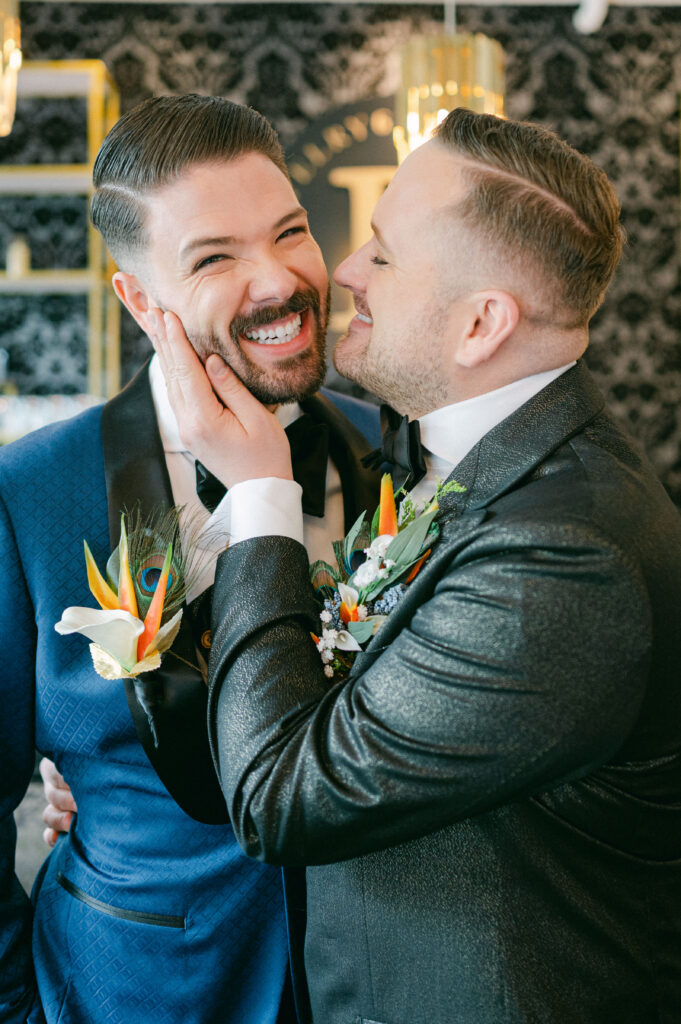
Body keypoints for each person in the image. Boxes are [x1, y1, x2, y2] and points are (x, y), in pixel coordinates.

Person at [151, 109, 681, 1024]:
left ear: (480, 324)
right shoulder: (457, 459)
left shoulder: (561, 557)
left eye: (384, 255)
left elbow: (283, 800)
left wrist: (259, 496)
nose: (343, 272)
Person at [0, 93, 379, 1024]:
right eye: (214, 258)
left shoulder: (393, 452)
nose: (280, 280)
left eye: (289, 232)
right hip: (132, 988)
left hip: (377, 979)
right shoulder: (29, 493)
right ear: (139, 297)